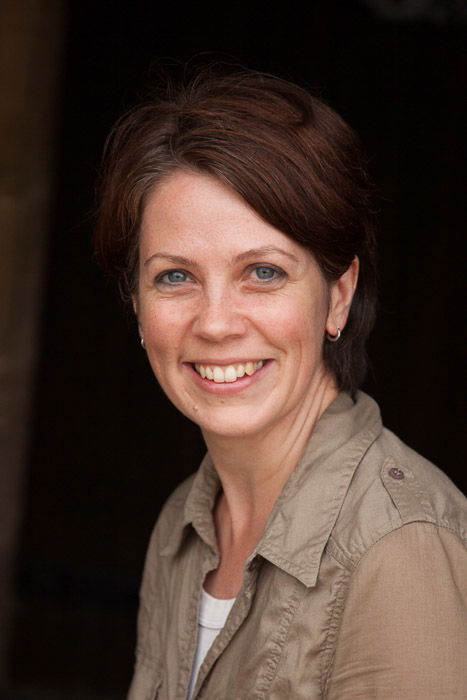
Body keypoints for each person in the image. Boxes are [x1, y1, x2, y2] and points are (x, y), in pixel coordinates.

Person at [94, 69, 467, 699]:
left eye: (263, 272)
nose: (214, 323)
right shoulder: (183, 529)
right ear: (136, 303)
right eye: (174, 277)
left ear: (337, 298)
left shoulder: (399, 549)